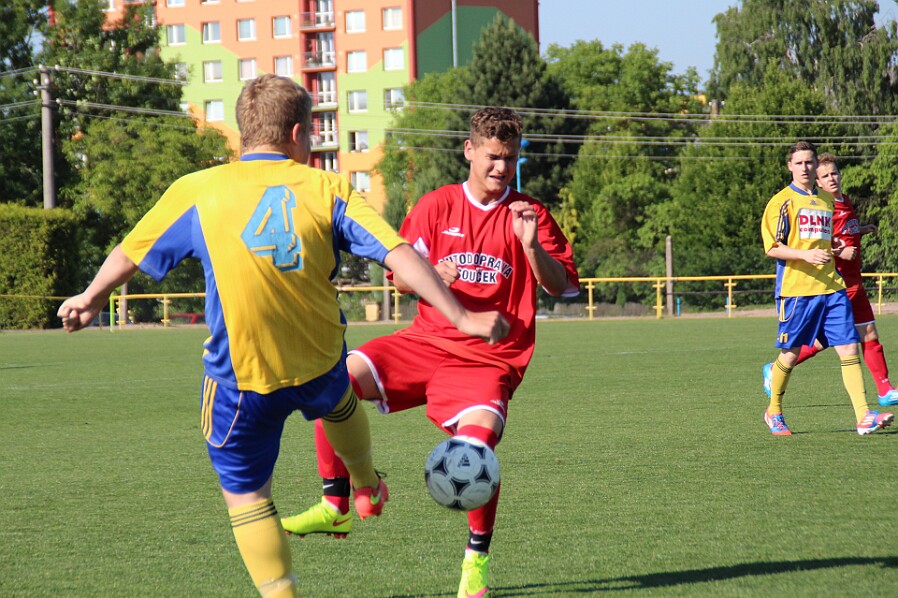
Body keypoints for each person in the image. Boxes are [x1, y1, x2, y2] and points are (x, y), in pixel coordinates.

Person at [56, 74, 509, 598]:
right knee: (339, 402)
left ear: (244, 133)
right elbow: (399, 253)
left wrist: (90, 297)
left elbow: (131, 251)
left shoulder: (198, 190)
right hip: (319, 365)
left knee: (247, 498)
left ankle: (281, 592)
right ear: (298, 132)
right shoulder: (329, 188)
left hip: (240, 380)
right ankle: (365, 483)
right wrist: (461, 316)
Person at [281, 107, 579, 598]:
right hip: (422, 344)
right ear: (469, 151)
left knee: (476, 452)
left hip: (489, 361)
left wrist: (530, 248)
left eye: (509, 158)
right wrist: (430, 277)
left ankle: (475, 564)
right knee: (333, 378)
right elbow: (398, 274)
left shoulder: (530, 215)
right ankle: (339, 501)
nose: (500, 168)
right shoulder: (436, 206)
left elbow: (564, 287)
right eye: (491, 156)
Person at [759, 140, 893, 436]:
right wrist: (805, 255)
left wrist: (834, 246)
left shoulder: (826, 201)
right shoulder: (782, 201)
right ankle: (774, 411)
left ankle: (863, 416)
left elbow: (822, 239)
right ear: (790, 166)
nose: (805, 167)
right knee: (791, 355)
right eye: (800, 163)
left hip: (832, 287)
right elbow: (772, 248)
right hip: (796, 290)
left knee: (848, 348)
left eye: (810, 162)